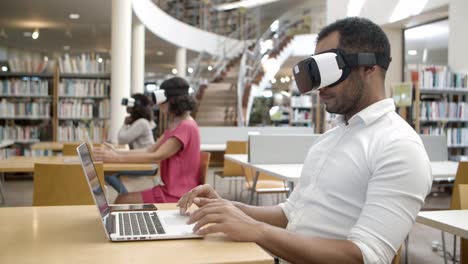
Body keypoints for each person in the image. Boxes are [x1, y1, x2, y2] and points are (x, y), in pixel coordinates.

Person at [177, 17, 432, 264]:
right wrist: (227, 207)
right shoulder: (331, 138)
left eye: (328, 69)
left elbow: (367, 256)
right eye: (314, 70)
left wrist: (256, 230)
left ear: (368, 67)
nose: (318, 86)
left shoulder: (399, 147)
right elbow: (290, 215)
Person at [94, 77, 200, 204]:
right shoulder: (177, 125)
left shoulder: (186, 126)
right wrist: (117, 153)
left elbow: (157, 156)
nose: (160, 106)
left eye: (162, 102)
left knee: (123, 200)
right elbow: (150, 149)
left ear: (173, 102)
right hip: (172, 189)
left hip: (179, 194)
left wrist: (115, 158)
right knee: (123, 198)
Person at [104, 93, 157, 193]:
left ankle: (125, 194)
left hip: (147, 164)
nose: (127, 107)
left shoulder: (141, 122)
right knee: (110, 171)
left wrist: (125, 124)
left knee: (108, 172)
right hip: (141, 160)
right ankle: (124, 193)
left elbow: (122, 139)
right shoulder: (141, 121)